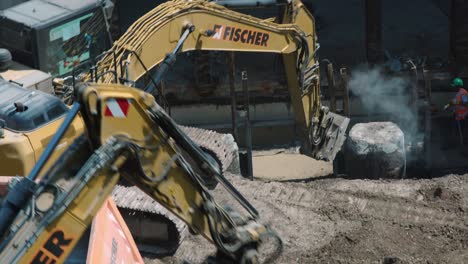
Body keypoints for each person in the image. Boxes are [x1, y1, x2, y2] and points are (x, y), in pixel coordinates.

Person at [444, 78, 468, 146]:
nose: (453, 87)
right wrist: (447, 105)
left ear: (458, 86)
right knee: (455, 129)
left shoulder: (463, 93)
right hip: (458, 115)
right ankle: (456, 142)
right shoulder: (458, 93)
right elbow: (453, 102)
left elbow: (466, 104)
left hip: (464, 115)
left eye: (454, 85)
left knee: (462, 131)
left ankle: (462, 144)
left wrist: (456, 102)